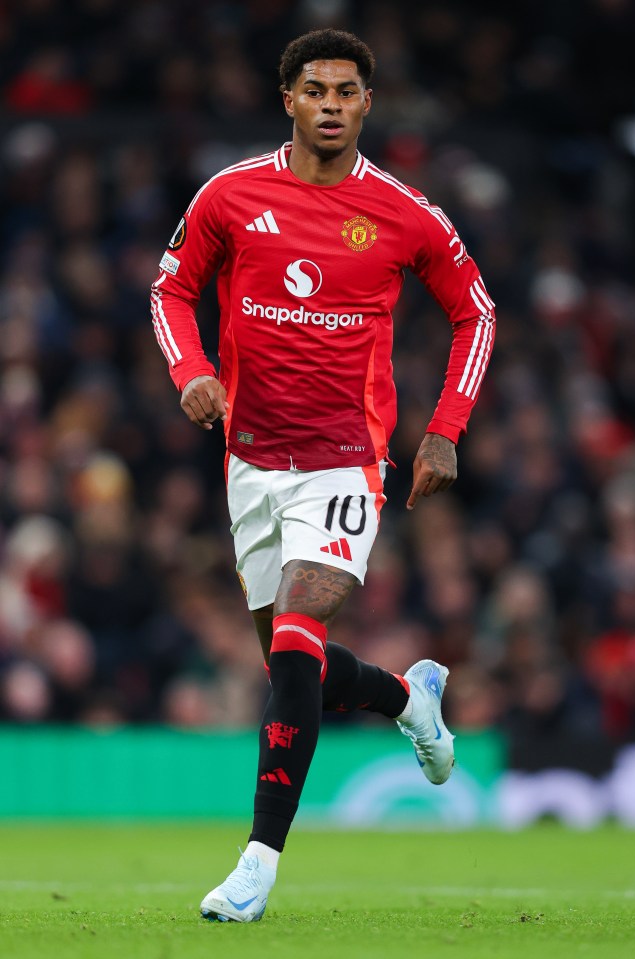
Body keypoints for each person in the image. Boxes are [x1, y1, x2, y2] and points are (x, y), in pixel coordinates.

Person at [150, 28, 495, 923]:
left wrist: (444, 429)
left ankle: (259, 860)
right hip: (250, 463)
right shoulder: (232, 194)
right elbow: (170, 289)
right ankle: (407, 699)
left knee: (300, 631)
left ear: (367, 104)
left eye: (348, 89)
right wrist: (191, 369)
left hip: (344, 459)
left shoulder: (404, 211)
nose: (332, 103)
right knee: (291, 668)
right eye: (316, 89)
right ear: (289, 99)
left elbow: (477, 311)